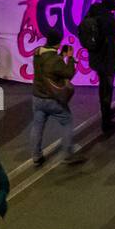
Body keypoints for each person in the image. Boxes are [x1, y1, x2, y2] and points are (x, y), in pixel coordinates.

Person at [29, 27, 84, 166]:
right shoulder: (55, 60)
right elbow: (68, 73)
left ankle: (36, 156)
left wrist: (61, 56)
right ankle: (67, 153)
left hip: (37, 96)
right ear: (58, 43)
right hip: (52, 99)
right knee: (67, 121)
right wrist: (70, 58)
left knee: (37, 125)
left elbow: (51, 66)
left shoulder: (37, 53)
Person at [82, 0, 115, 133]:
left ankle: (106, 111)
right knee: (107, 89)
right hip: (107, 59)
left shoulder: (93, 13)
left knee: (103, 86)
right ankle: (106, 123)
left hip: (96, 58)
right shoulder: (107, 19)